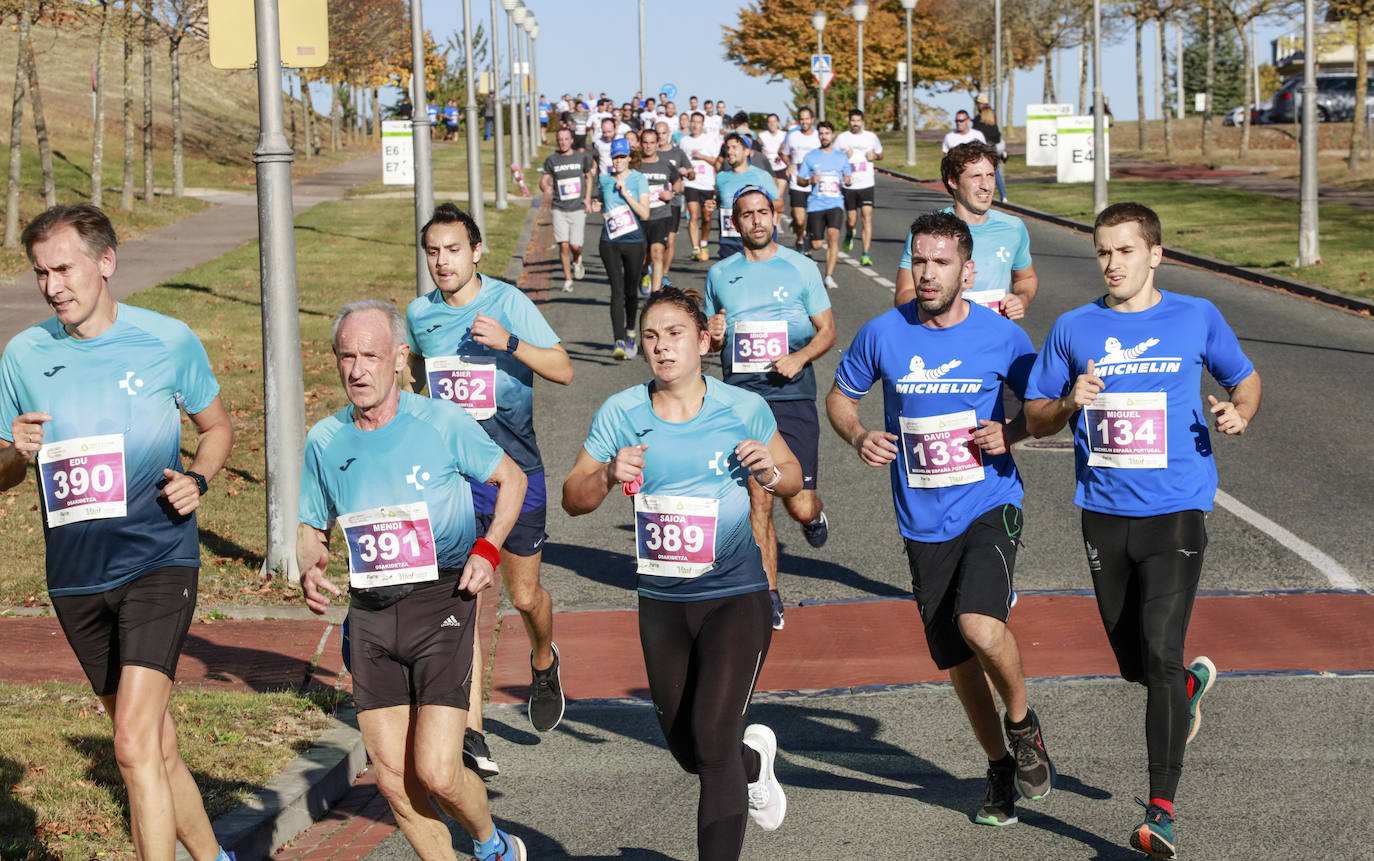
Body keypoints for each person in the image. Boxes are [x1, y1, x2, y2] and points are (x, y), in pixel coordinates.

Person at [1024, 202, 1260, 859]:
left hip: (1178, 509)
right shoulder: (1075, 327)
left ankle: (1161, 813)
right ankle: (1185, 690)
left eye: (1125, 251)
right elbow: (1036, 415)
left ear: (1154, 254)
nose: (1112, 263)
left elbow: (1245, 379)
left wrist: (1237, 413)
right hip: (1103, 514)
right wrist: (1071, 402)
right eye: (1103, 251)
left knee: (1159, 650)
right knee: (1138, 664)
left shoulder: (1194, 316)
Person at [1, 204, 236, 861]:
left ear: (105, 263)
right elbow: (3, 473)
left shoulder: (165, 339)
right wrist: (14, 451)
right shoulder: (22, 356)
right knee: (152, 742)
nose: (52, 286)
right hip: (75, 575)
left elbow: (217, 428)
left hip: (158, 557)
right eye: (41, 273)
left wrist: (200, 478)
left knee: (131, 742)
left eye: (64, 268)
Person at [827, 210, 1056, 828]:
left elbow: (1037, 411)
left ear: (967, 269)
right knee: (957, 658)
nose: (927, 275)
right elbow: (841, 397)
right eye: (919, 261)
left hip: (990, 502)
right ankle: (999, 766)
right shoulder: (882, 332)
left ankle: (1022, 723)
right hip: (921, 519)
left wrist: (1009, 433)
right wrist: (857, 436)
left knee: (980, 626)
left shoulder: (1002, 338)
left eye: (941, 263)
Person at [562, 286, 797, 861]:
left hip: (736, 594)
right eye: (651, 336)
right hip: (662, 601)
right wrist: (609, 475)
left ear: (702, 339)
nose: (662, 347)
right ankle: (754, 763)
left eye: (674, 334)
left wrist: (770, 470)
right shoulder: (621, 413)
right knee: (690, 750)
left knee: (713, 741)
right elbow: (573, 498)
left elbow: (792, 476)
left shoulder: (742, 408)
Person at [299, 300, 528, 861]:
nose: (357, 370)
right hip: (372, 616)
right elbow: (311, 522)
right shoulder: (324, 441)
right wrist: (310, 563)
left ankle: (492, 845)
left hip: (441, 605)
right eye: (346, 357)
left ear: (400, 358)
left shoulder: (441, 422)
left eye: (371, 356)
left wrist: (487, 550)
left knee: (439, 773)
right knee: (396, 784)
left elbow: (512, 480)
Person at [406, 204, 574, 772]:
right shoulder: (420, 314)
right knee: (466, 598)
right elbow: (416, 376)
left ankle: (544, 659)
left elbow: (564, 369)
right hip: (453, 478)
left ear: (475, 252)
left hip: (516, 470)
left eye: (452, 249)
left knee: (524, 597)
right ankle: (472, 731)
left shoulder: (508, 303)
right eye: (433, 251)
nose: (442, 261)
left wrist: (509, 344)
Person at [705, 188, 835, 631]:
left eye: (763, 213)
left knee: (795, 502)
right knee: (758, 497)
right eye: (747, 215)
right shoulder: (720, 274)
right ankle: (769, 592)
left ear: (774, 217)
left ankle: (813, 515)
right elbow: (709, 340)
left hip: (792, 395)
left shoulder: (800, 267)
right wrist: (716, 335)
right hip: (744, 401)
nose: (756, 221)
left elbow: (827, 331)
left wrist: (799, 358)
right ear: (736, 223)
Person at [894, 142, 1038, 319]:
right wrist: (948, 292)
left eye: (991, 175)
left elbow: (1025, 279)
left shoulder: (1013, 227)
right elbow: (903, 296)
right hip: (945, 338)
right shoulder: (929, 231)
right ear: (953, 181)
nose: (986, 185)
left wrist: (1021, 298)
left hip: (996, 339)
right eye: (976, 176)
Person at [593, 138, 653, 359]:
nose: (618, 161)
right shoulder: (604, 179)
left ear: (629, 158)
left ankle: (630, 333)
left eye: (621, 157)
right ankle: (618, 341)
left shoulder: (639, 179)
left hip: (634, 242)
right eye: (615, 157)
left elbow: (645, 213)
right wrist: (598, 205)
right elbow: (603, 204)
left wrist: (626, 194)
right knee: (616, 291)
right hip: (609, 242)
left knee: (630, 291)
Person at [795, 120, 852, 290]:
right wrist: (809, 180)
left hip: (835, 204)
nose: (824, 136)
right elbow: (800, 180)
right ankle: (808, 240)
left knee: (833, 237)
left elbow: (848, 178)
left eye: (827, 133)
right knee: (817, 245)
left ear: (832, 135)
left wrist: (848, 180)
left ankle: (828, 276)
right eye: (821, 133)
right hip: (816, 205)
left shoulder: (841, 157)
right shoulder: (811, 157)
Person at [542, 127, 596, 293]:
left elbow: (588, 177)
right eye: (560, 139)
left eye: (566, 139)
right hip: (559, 207)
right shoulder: (552, 160)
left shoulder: (581, 158)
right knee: (563, 245)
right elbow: (544, 179)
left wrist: (587, 199)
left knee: (574, 245)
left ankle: (577, 260)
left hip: (577, 208)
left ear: (571, 140)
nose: (563, 142)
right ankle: (568, 279)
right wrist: (545, 187)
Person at [708, 136, 777, 262]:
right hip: (729, 240)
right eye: (727, 148)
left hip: (757, 239)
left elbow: (778, 204)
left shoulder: (762, 176)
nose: (729, 151)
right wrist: (713, 204)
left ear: (747, 152)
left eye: (734, 147)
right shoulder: (721, 177)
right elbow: (721, 201)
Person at [636, 127, 683, 294]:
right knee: (642, 258)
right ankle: (643, 272)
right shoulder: (635, 165)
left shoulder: (666, 165)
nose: (648, 146)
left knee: (657, 253)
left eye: (652, 143)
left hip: (661, 215)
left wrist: (672, 194)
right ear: (641, 144)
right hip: (639, 217)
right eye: (645, 143)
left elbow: (678, 184)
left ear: (657, 144)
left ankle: (655, 296)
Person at [834, 108, 883, 266]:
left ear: (862, 122)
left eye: (858, 121)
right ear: (849, 121)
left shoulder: (871, 137)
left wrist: (874, 156)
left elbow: (880, 154)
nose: (855, 123)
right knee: (851, 220)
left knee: (866, 218)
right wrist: (843, 156)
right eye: (852, 120)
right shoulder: (842, 138)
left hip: (867, 184)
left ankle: (865, 254)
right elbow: (832, 157)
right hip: (849, 184)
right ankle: (849, 234)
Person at [656, 120, 695, 282]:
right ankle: (650, 268)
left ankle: (663, 274)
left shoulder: (678, 153)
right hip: (654, 203)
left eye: (663, 133)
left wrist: (686, 172)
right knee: (655, 242)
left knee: (670, 240)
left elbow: (692, 174)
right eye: (658, 133)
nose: (661, 136)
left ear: (669, 134)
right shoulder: (652, 153)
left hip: (673, 203)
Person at [681, 112, 722, 262]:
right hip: (691, 183)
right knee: (693, 215)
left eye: (698, 122)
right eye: (693, 121)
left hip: (707, 184)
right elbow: (681, 162)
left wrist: (702, 156)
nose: (695, 125)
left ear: (703, 124)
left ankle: (703, 243)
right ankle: (695, 248)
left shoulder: (710, 140)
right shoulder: (684, 141)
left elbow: (717, 162)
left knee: (706, 217)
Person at [780, 107, 820, 250]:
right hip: (797, 182)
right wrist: (789, 164)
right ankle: (800, 239)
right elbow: (783, 153)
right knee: (800, 219)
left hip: (815, 184)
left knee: (813, 219)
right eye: (802, 119)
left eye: (807, 118)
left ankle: (807, 245)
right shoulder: (793, 136)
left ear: (812, 119)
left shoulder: (818, 136)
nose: (804, 122)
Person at [972, 99, 1008, 202]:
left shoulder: (979, 123)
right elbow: (997, 138)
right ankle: (1003, 195)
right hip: (992, 148)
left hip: (981, 148)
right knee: (995, 173)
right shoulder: (993, 124)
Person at [758, 113, 789, 216]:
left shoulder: (784, 134)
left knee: (778, 196)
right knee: (770, 196)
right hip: (767, 169)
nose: (772, 124)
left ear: (778, 123)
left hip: (781, 167)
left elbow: (789, 150)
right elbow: (756, 151)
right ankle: (770, 218)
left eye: (774, 121)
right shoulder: (762, 136)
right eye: (770, 122)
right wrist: (762, 154)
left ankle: (777, 222)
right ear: (767, 123)